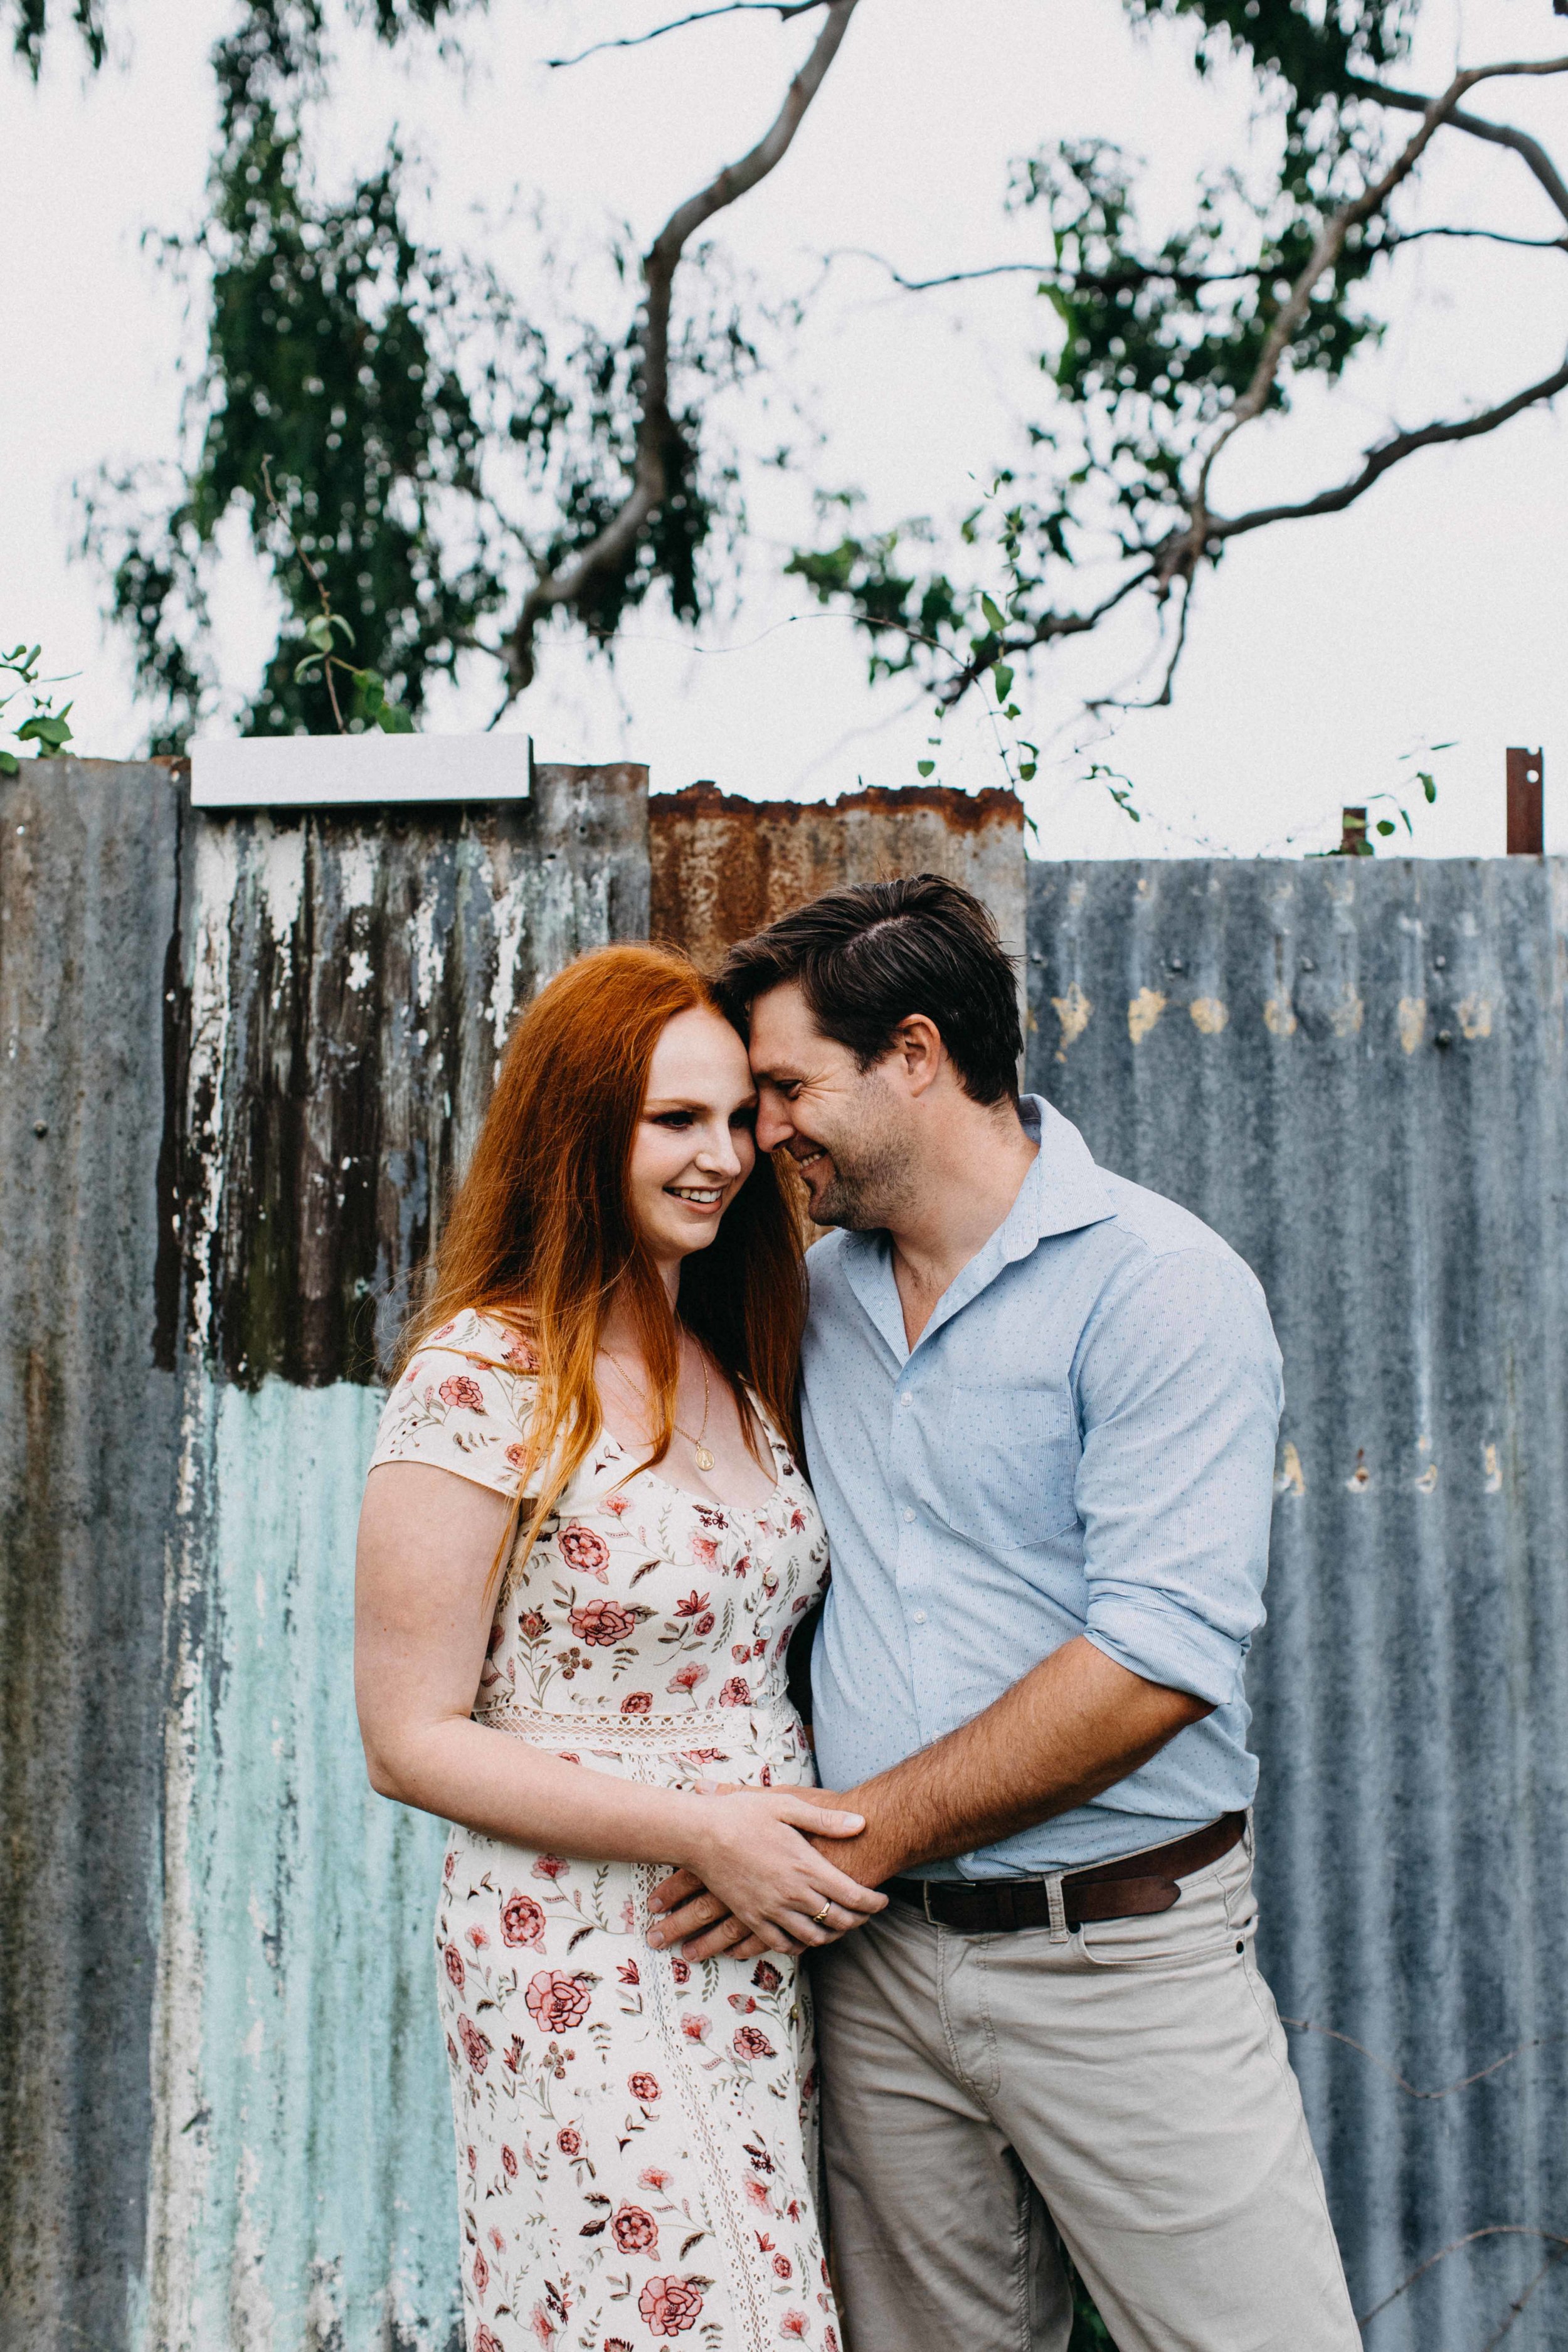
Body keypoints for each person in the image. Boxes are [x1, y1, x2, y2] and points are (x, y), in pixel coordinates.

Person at [647, 877, 1362, 2352]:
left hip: (1118, 1952)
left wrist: (843, 1841)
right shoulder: (808, 1297)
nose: (762, 1129)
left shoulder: (1157, 1288)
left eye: (786, 1087)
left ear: (915, 1054)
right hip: (873, 1978)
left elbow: (1155, 1660)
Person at [354, 943, 879, 2352]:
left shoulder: (733, 1348)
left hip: (754, 1955)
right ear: (580, 1129)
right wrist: (700, 1829)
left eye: (731, 1120)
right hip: (582, 1948)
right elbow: (408, 1739)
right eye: (674, 1122)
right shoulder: (482, 1373)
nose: (722, 1156)